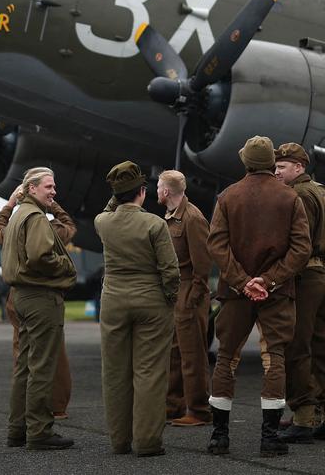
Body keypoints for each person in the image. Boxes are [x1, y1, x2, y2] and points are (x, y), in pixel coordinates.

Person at [204, 136, 311, 457]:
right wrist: (269, 279)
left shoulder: (227, 197)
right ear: (270, 162)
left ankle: (219, 437)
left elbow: (216, 245)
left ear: (246, 162)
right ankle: (269, 438)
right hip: (276, 295)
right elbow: (301, 248)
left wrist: (242, 281)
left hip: (235, 295)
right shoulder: (290, 198)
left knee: (226, 358)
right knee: (274, 358)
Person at [95, 161, 179, 456]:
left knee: (115, 372)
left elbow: (109, 210)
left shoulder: (102, 222)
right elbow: (170, 270)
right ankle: (147, 442)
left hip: (114, 301)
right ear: (142, 192)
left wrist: (118, 193)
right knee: (150, 372)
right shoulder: (154, 224)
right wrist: (169, 298)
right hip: (151, 301)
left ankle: (120, 441)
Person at [0, 167, 78, 450]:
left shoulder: (19, 214)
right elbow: (40, 255)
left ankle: (17, 430)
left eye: (54, 187)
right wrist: (66, 265)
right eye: (48, 187)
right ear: (31, 189)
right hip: (40, 298)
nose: (53, 191)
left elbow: (3, 234)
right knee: (43, 367)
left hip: (20, 296)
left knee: (24, 367)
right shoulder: (36, 218)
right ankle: (39, 431)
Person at [274, 142, 325, 443]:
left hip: (305, 274)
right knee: (324, 346)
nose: (276, 172)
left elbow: (297, 243)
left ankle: (304, 419)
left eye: (282, 167)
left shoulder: (299, 195)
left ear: (299, 168)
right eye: (276, 167)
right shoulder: (322, 191)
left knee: (297, 346)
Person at [156, 169, 213, 428]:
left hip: (190, 291)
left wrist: (193, 298)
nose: (156, 191)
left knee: (193, 355)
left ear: (166, 191)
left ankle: (199, 410)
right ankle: (173, 405)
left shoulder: (192, 218)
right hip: (175, 292)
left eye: (158, 187)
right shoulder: (169, 218)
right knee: (174, 353)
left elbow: (203, 264)